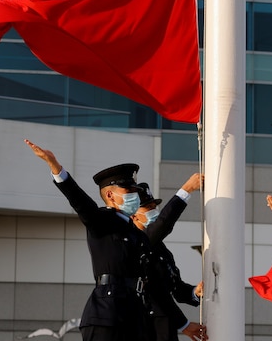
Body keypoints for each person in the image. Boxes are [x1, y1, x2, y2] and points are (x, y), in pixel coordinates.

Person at [26, 139, 156, 341]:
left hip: (135, 314)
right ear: (111, 195)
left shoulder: (136, 233)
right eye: (129, 192)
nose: (135, 196)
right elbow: (80, 201)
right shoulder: (102, 221)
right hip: (107, 314)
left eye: (135, 192)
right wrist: (55, 166)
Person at [132, 182, 208, 341]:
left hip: (165, 327)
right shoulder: (134, 242)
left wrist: (194, 292)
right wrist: (186, 189)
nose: (154, 212)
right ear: (134, 215)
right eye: (148, 208)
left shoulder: (160, 248)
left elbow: (175, 287)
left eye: (154, 207)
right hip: (144, 326)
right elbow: (164, 224)